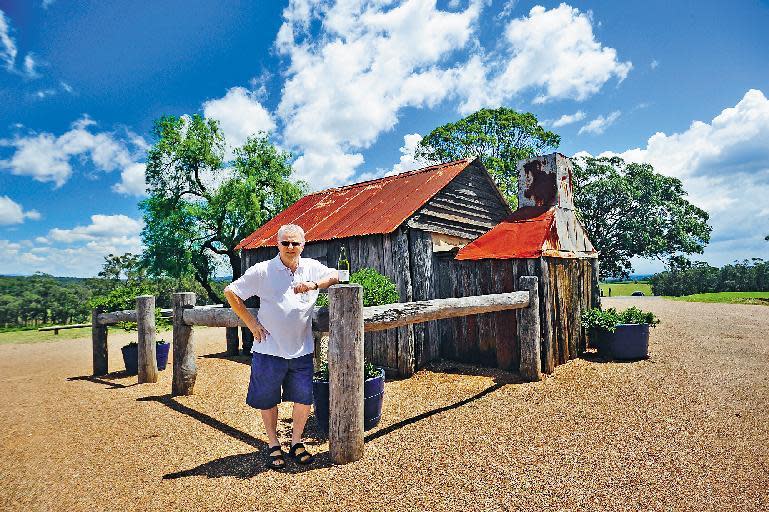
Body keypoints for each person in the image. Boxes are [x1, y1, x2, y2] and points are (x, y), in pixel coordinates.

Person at [224, 224, 338, 470]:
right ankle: (273, 443)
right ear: (278, 244)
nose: (290, 247)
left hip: (302, 349)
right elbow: (231, 292)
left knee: (303, 399)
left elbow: (337, 275)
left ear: (303, 245)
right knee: (268, 399)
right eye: (285, 242)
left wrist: (314, 285)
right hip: (268, 349)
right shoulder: (263, 270)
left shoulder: (311, 267)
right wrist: (251, 324)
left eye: (295, 243)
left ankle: (296, 442)